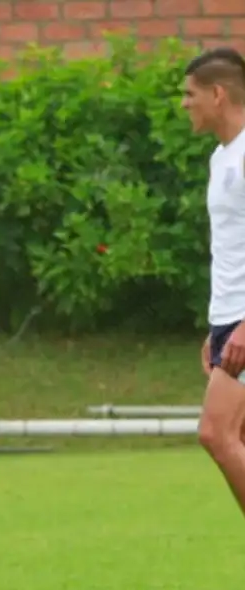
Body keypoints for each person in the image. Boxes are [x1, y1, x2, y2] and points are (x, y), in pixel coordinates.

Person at [182, 47, 245, 519]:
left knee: (216, 433)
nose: (185, 103)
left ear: (218, 94)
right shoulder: (220, 159)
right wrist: (218, 326)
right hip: (230, 322)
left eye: (191, 94)